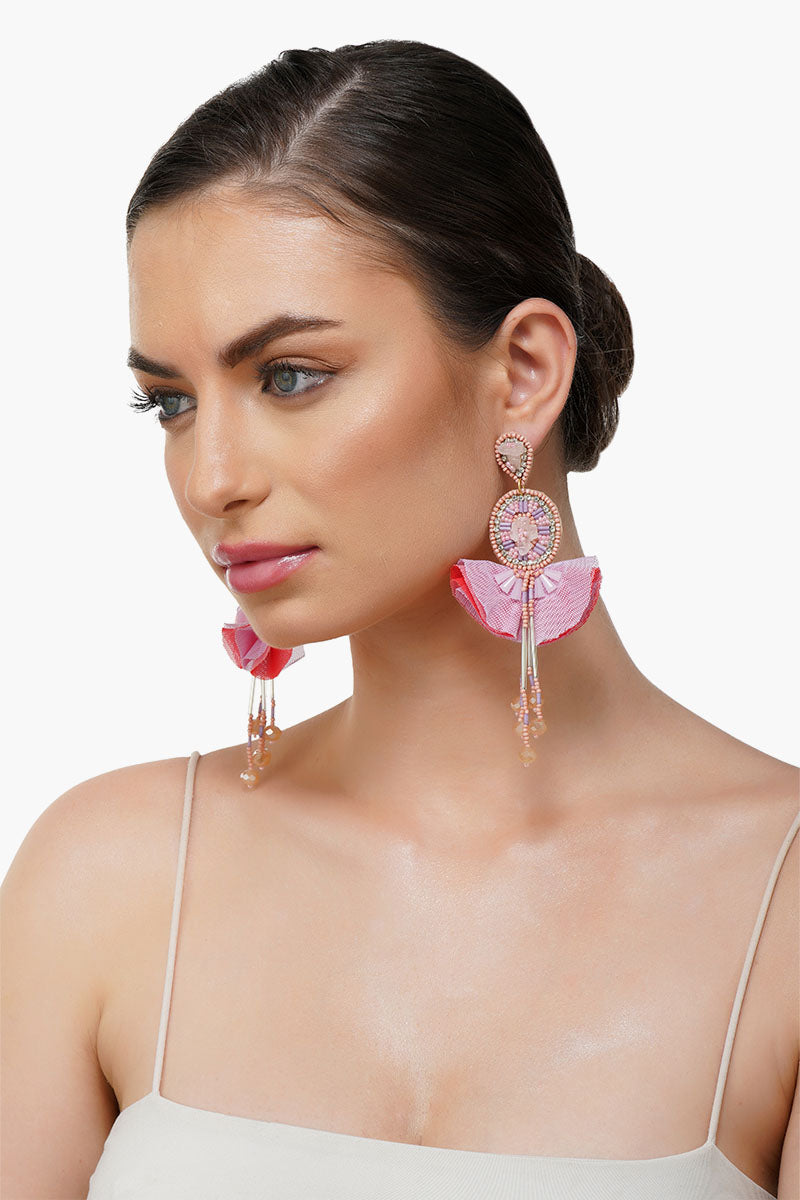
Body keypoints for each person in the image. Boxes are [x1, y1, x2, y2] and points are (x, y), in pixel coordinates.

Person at [1, 38, 797, 1200]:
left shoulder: (780, 898)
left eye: (288, 376)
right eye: (169, 403)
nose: (211, 477)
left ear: (522, 371)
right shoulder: (105, 876)